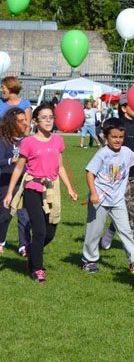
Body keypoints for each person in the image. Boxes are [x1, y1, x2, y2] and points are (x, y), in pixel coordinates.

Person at [3, 103, 78, 283]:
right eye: (43, 117)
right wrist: (9, 194)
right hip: (32, 188)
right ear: (35, 121)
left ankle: (31, 250)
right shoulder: (28, 142)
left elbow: (60, 167)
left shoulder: (58, 140)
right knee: (40, 230)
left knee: (50, 232)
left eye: (50, 117)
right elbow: (19, 168)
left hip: (52, 189)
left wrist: (69, 188)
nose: (48, 121)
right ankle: (37, 268)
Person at [81, 117, 134, 275]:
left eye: (120, 137)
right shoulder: (102, 154)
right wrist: (94, 194)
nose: (118, 140)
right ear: (106, 137)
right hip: (100, 200)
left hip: (118, 200)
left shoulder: (127, 152)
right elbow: (90, 173)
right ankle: (89, 260)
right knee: (94, 231)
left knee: (125, 230)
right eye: (114, 137)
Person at [99, 95, 134, 248]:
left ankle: (132, 246)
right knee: (121, 209)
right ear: (123, 108)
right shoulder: (118, 127)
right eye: (133, 104)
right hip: (120, 175)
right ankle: (110, 231)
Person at [0, 108, 31, 255]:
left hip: (25, 181)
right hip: (7, 181)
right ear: (12, 123)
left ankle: (24, 245)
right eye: (21, 121)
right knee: (5, 214)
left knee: (24, 214)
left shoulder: (28, 140)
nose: (25, 123)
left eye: (25, 119)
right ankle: (1, 240)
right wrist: (12, 160)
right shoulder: (3, 140)